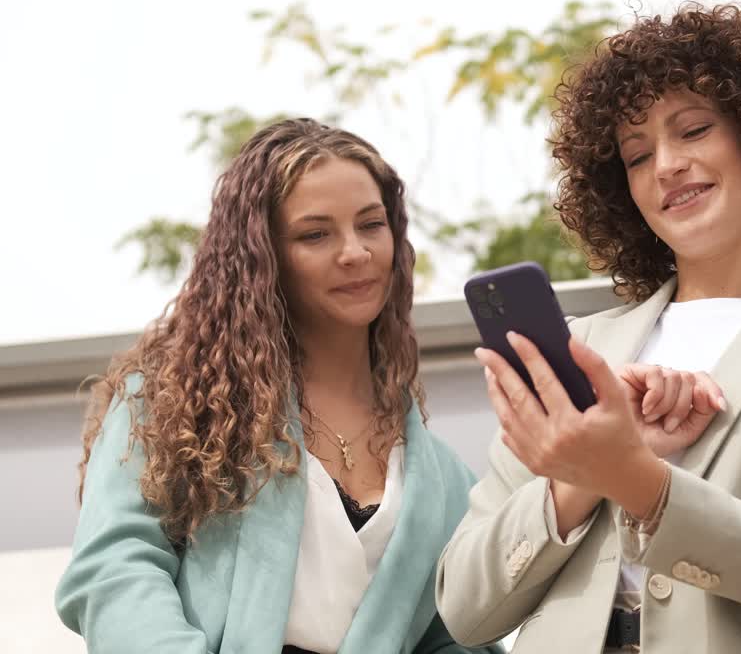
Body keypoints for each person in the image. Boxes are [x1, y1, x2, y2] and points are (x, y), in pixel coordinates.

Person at [435, 4, 741, 653]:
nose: (666, 165)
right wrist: (583, 475)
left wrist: (638, 477)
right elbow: (465, 609)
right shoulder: (582, 349)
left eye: (693, 130)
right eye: (637, 156)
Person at [55, 119, 503, 653]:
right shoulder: (172, 405)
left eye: (371, 224)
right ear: (262, 256)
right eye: (316, 234)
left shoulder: (443, 478)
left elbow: (451, 637)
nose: (354, 252)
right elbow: (114, 569)